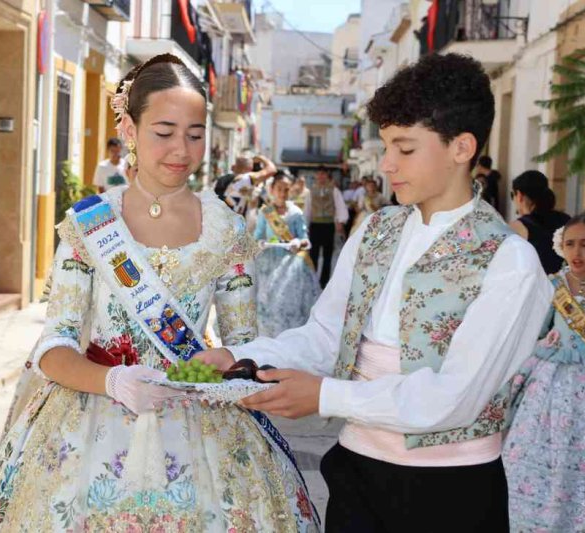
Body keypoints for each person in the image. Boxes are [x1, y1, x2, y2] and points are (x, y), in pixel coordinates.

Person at [0, 54, 319, 532]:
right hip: (87, 426)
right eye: (164, 132)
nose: (181, 150)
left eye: (195, 134)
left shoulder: (227, 230)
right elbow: (54, 346)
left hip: (202, 428)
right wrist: (112, 382)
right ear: (129, 129)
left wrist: (231, 374)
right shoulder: (89, 225)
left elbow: (244, 348)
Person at [197, 53, 553, 532]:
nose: (386, 164)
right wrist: (242, 359)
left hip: (450, 488)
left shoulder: (510, 261)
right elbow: (326, 337)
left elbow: (454, 398)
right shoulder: (376, 230)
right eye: (386, 146)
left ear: (462, 147)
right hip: (356, 474)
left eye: (404, 149)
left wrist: (326, 396)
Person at [504, 212, 585, 532]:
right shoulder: (553, 285)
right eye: (570, 244)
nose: (577, 252)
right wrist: (545, 342)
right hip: (553, 388)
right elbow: (531, 331)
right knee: (547, 456)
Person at [253, 172, 322, 338]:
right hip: (268, 264)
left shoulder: (296, 213)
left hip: (291, 266)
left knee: (288, 302)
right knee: (268, 301)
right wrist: (260, 243)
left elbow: (305, 240)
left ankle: (287, 337)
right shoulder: (265, 212)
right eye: (279, 189)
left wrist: (298, 242)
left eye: (286, 189)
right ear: (271, 189)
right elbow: (257, 237)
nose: (282, 193)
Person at [510, 170, 571, 274]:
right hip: (564, 281)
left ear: (519, 195)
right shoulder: (567, 220)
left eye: (512, 195)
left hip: (536, 282)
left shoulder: (517, 227)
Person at [307, 167, 348, 288]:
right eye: (319, 174)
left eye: (323, 174)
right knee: (313, 254)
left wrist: (340, 221)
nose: (321, 176)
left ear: (327, 176)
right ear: (316, 176)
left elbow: (340, 206)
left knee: (327, 255)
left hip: (328, 225)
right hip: (315, 225)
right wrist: (306, 225)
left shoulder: (334, 190)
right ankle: (312, 280)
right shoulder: (311, 191)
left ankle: (324, 282)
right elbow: (307, 209)